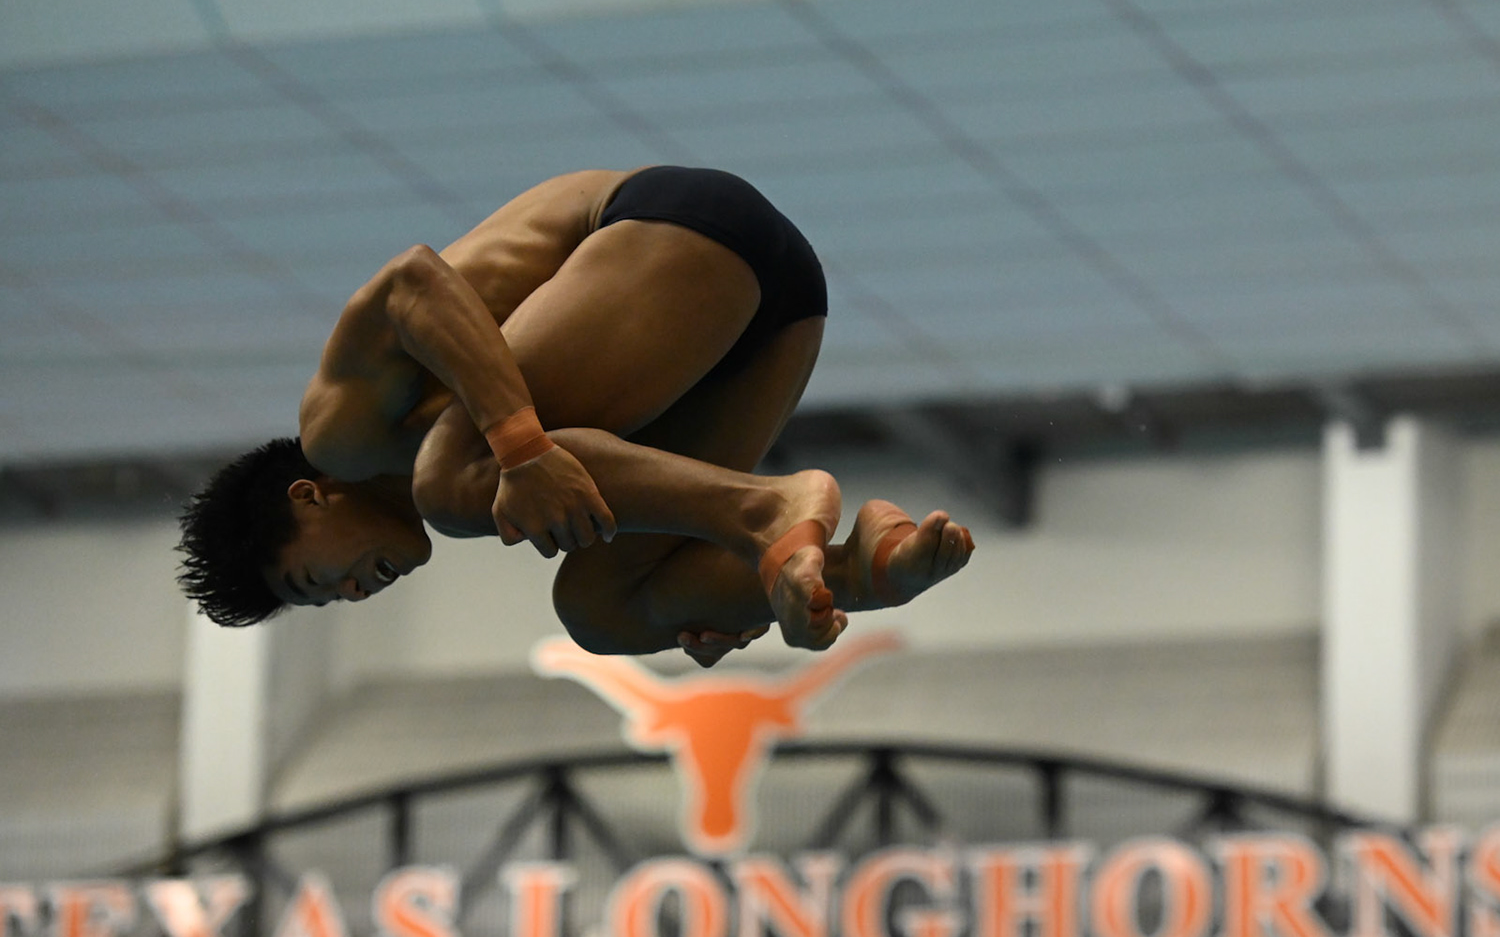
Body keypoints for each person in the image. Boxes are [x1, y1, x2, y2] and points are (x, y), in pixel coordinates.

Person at [176, 166, 973, 664]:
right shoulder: (443, 477)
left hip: (679, 229)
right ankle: (863, 569)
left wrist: (520, 446)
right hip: (779, 312)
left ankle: (770, 509)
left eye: (317, 576)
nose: (352, 591)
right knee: (603, 611)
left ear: (308, 497)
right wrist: (713, 604)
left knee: (453, 484)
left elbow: (409, 283)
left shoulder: (339, 435)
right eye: (332, 599)